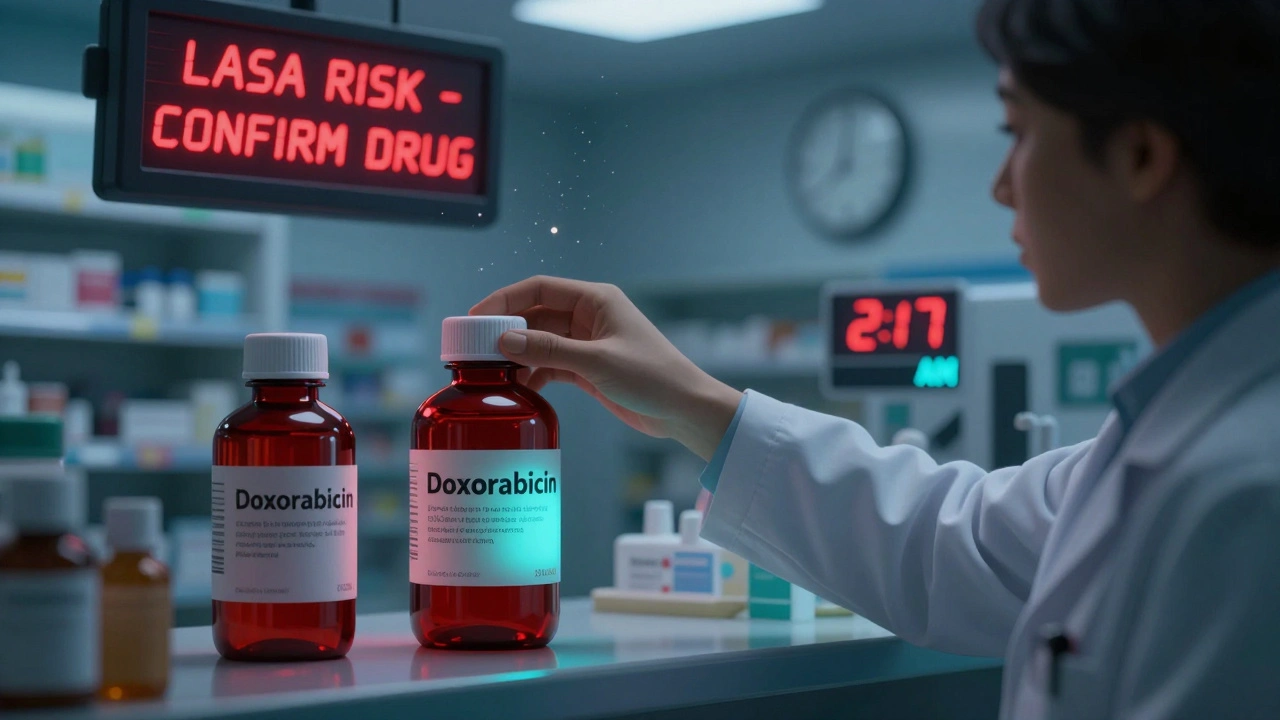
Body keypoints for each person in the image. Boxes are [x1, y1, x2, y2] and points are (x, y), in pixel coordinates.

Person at [472, 0, 1280, 716]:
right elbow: (950, 542)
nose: (1002, 185)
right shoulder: (1179, 435)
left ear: (1141, 156)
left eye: (1019, 132)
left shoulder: (1248, 491)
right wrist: (696, 405)